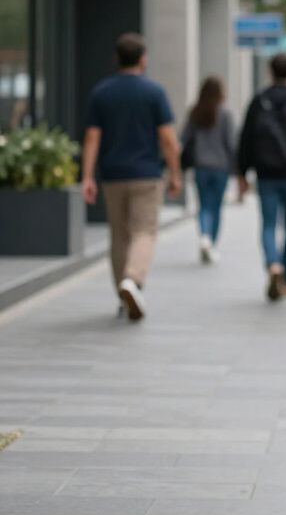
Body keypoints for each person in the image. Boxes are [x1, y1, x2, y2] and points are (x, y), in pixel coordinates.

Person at [81, 32, 182, 321]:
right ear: (143, 59)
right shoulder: (154, 92)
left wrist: (87, 176)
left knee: (119, 236)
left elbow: (91, 136)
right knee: (144, 231)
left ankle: (123, 296)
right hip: (147, 175)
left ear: (117, 59)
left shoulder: (102, 91)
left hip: (112, 175)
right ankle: (133, 280)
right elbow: (168, 138)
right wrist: (175, 172)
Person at [236, 52, 286, 301]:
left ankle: (273, 264)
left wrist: (242, 172)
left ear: (270, 72)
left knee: (268, 224)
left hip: (266, 174)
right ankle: (285, 277)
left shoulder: (259, 100)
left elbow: (246, 139)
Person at [180, 76, 236, 264]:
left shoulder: (196, 112)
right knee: (217, 206)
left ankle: (204, 235)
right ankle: (211, 242)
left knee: (204, 205)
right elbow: (231, 143)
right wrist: (236, 167)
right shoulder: (226, 114)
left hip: (201, 166)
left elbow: (184, 138)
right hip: (220, 167)